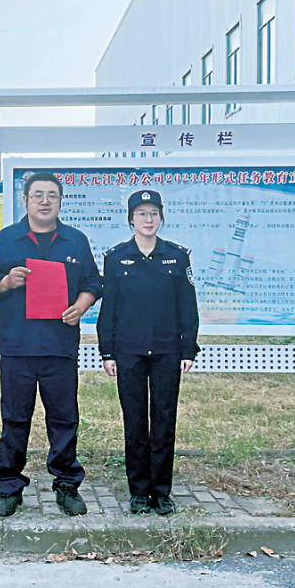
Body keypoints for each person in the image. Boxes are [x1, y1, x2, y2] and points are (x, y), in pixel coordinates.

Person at [0, 172, 102, 517]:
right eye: (38, 195)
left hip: (60, 345)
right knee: (15, 419)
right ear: (25, 200)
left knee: (64, 418)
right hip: (17, 345)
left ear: (60, 201)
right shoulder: (7, 239)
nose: (45, 201)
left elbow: (93, 281)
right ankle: (9, 487)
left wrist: (82, 305)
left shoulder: (75, 240)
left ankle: (66, 484)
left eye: (52, 195)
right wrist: (6, 281)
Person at [97, 189, 200, 516]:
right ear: (131, 219)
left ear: (161, 217)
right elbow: (109, 308)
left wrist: (188, 348)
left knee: (164, 420)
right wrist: (107, 352)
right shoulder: (116, 257)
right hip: (129, 352)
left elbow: (188, 307)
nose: (148, 219)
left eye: (154, 213)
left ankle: (162, 491)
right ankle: (139, 491)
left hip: (168, 351)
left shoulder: (177, 257)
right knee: (135, 420)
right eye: (141, 213)